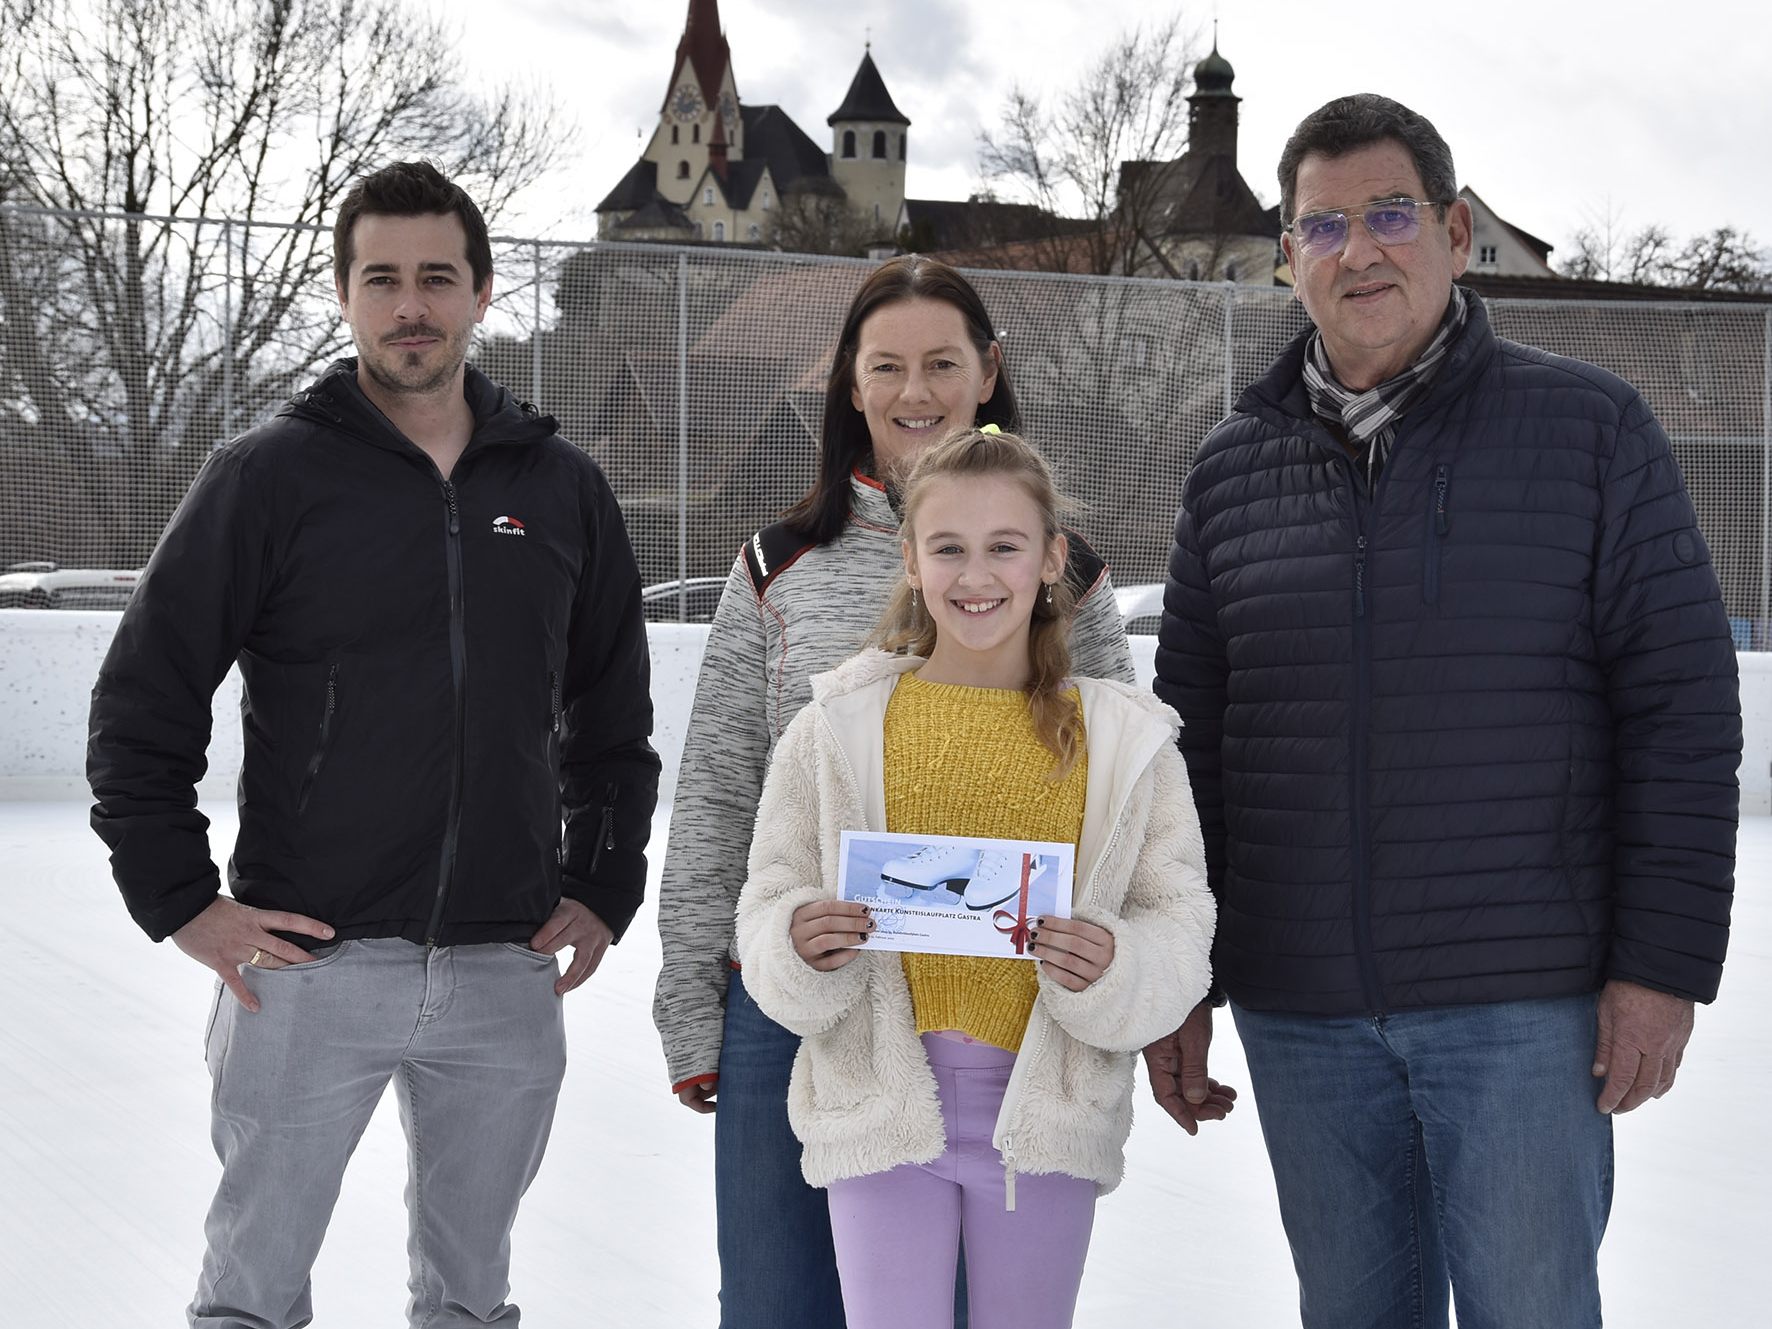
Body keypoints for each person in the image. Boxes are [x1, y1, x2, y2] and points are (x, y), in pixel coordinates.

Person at [1150, 93, 1741, 1329]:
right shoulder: (1230, 467)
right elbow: (1188, 749)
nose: (1356, 251)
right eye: (1322, 226)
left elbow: (1679, 713)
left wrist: (1657, 968)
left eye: (1387, 214)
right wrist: (1179, 978)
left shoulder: (1587, 431)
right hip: (1302, 1007)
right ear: (1288, 257)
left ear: (1455, 232)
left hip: (1519, 1006)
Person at [87, 161, 660, 1329]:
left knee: (470, 1302)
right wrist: (180, 899)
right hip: (308, 964)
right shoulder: (268, 476)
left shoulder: (561, 488)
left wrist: (602, 882)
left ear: (481, 293)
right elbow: (144, 698)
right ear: (344, 294)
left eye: (436, 278)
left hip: (503, 964)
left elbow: (612, 716)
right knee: (250, 1299)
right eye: (382, 279)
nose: (410, 306)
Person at [653, 254, 1135, 1326]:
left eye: (941, 363)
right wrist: (693, 995)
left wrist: (1123, 981)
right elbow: (721, 788)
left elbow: (1120, 807)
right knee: (778, 1307)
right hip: (799, 992)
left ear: (988, 372)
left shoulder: (1066, 576)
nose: (915, 391)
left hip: (985, 1014)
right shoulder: (779, 564)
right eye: (886, 366)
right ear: (850, 381)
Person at [735, 427, 1215, 1329]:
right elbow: (768, 897)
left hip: (1044, 1116)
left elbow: (1179, 917)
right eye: (949, 547)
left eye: (1005, 546)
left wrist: (1118, 965)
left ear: (1052, 559)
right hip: (880, 1103)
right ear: (911, 561)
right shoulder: (835, 726)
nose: (976, 574)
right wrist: (797, 940)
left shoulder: (1123, 739)